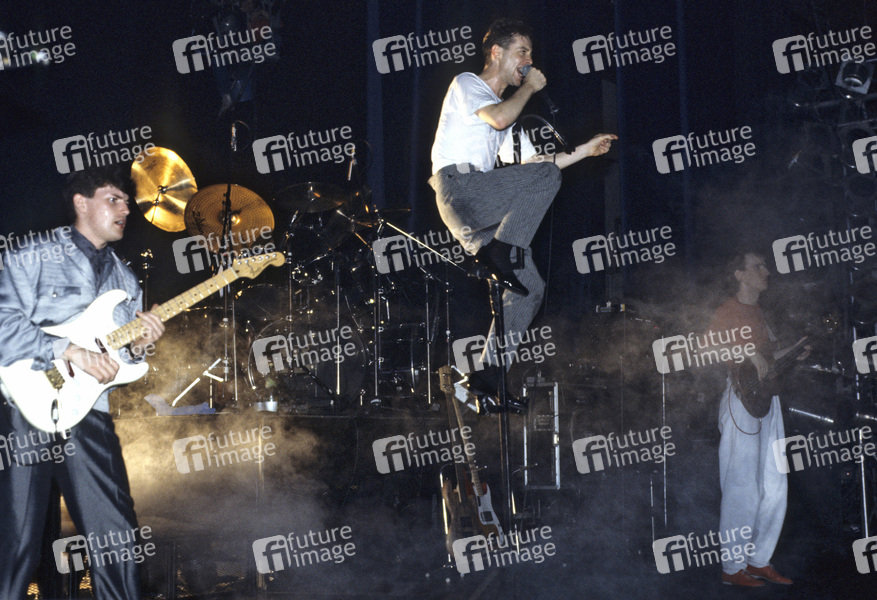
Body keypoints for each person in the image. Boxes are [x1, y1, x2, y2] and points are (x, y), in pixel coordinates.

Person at [428, 17, 616, 399]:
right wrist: (530, 86)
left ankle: (487, 378)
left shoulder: (506, 115)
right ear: (497, 52)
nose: (529, 61)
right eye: (522, 52)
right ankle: (502, 252)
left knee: (529, 288)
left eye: (530, 54)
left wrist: (585, 150)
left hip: (478, 208)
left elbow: (538, 166)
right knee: (543, 181)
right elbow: (499, 119)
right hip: (459, 189)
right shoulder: (468, 84)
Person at [0, 165, 165, 599]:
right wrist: (66, 349)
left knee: (118, 536)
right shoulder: (33, 254)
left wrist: (139, 346)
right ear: (81, 203)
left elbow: (118, 360)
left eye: (127, 202)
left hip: (89, 412)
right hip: (26, 405)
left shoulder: (125, 279)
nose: (126, 209)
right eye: (114, 199)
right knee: (16, 541)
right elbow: (3, 320)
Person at [707, 252, 803, 587]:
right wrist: (746, 351)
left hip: (768, 397)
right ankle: (732, 567)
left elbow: (767, 360)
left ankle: (758, 559)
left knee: (774, 483)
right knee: (742, 485)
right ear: (739, 274)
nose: (767, 271)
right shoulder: (727, 310)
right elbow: (708, 347)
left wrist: (795, 350)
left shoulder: (760, 312)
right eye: (758, 266)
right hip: (741, 398)